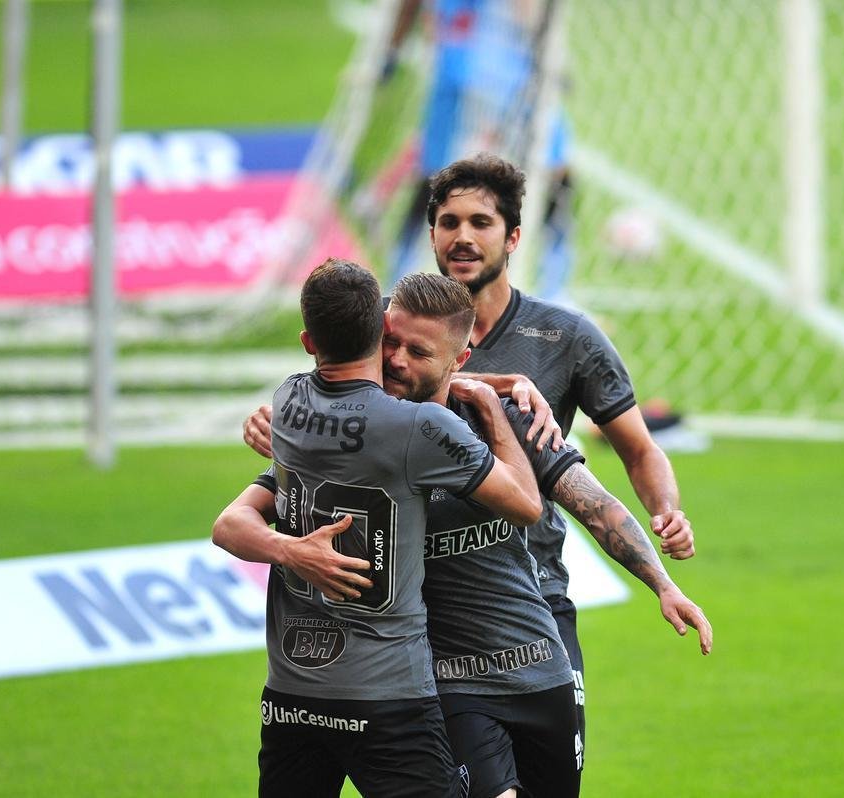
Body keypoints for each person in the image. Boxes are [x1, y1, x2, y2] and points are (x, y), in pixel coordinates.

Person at [244, 154, 698, 754]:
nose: (462, 236)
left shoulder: (566, 338)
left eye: (480, 223)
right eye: (448, 221)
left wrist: (665, 514)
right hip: (423, 617)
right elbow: (334, 409)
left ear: (513, 237)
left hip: (537, 604)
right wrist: (278, 427)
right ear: (430, 232)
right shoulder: (389, 339)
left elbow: (636, 450)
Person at [212, 258, 543, 798]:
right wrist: (488, 398)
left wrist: (291, 551)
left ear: (306, 341)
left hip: (292, 696)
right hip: (388, 695)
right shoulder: (419, 428)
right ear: (383, 329)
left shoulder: (286, 404)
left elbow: (228, 525)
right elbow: (526, 504)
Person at [380, 0, 575, 299]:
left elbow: (409, 6)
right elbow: (526, 11)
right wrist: (553, 58)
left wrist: (391, 52)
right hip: (509, 67)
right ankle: (555, 289)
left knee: (434, 178)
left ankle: (398, 281)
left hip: (454, 63)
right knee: (555, 173)